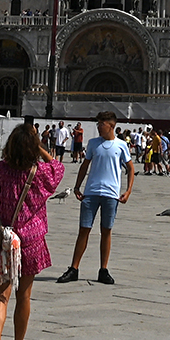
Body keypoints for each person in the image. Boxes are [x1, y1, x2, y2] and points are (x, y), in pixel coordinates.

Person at [0, 122, 63, 340]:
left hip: (6, 241)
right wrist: (39, 147)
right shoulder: (40, 174)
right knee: (24, 296)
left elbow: (1, 164)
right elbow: (58, 168)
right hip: (30, 243)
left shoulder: (2, 170)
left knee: (1, 295)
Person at [59, 110, 134, 285]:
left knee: (106, 231)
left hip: (111, 193)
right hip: (91, 192)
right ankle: (74, 268)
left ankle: (103, 269)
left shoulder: (121, 145)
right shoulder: (93, 143)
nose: (99, 126)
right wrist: (77, 186)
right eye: (98, 123)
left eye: (102, 123)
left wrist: (128, 190)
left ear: (112, 125)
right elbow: (84, 166)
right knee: (84, 230)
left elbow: (130, 168)